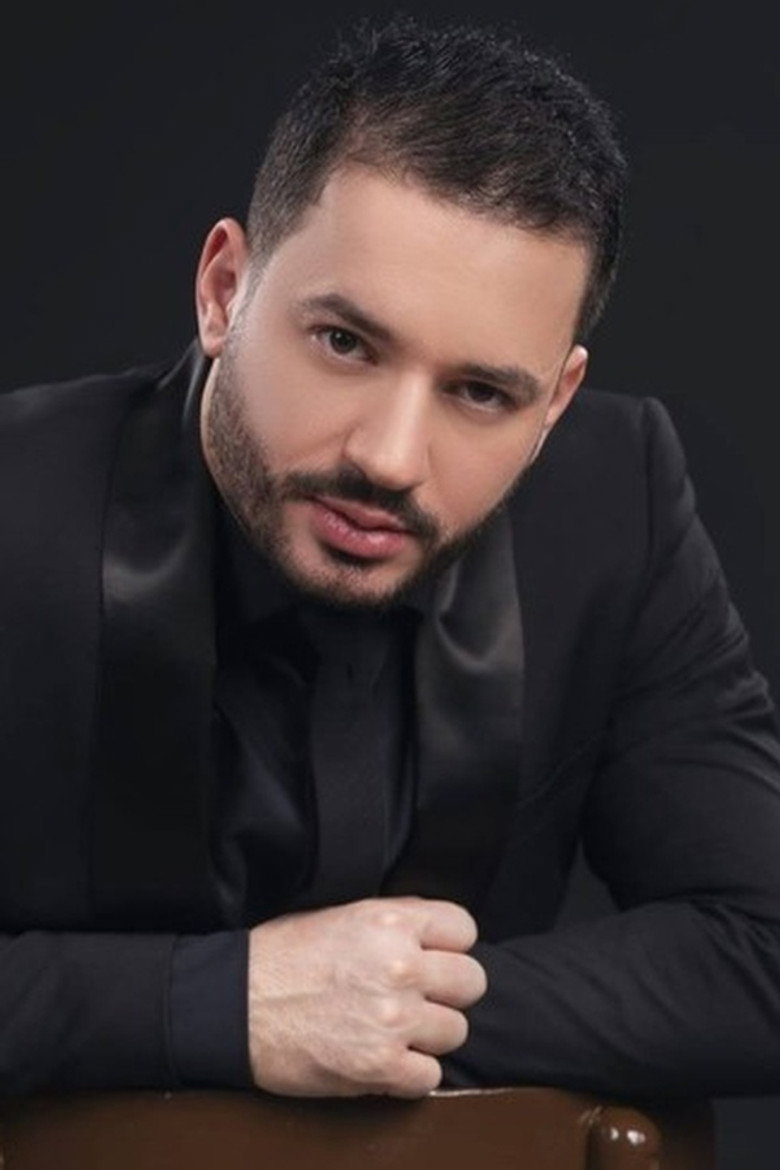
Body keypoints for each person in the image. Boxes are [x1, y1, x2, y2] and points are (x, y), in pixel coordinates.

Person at [2, 13, 780, 1101]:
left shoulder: (618, 502)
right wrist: (221, 1005)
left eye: (481, 392)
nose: (390, 458)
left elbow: (764, 958)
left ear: (555, 403)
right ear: (224, 291)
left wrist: (375, 1009)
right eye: (345, 343)